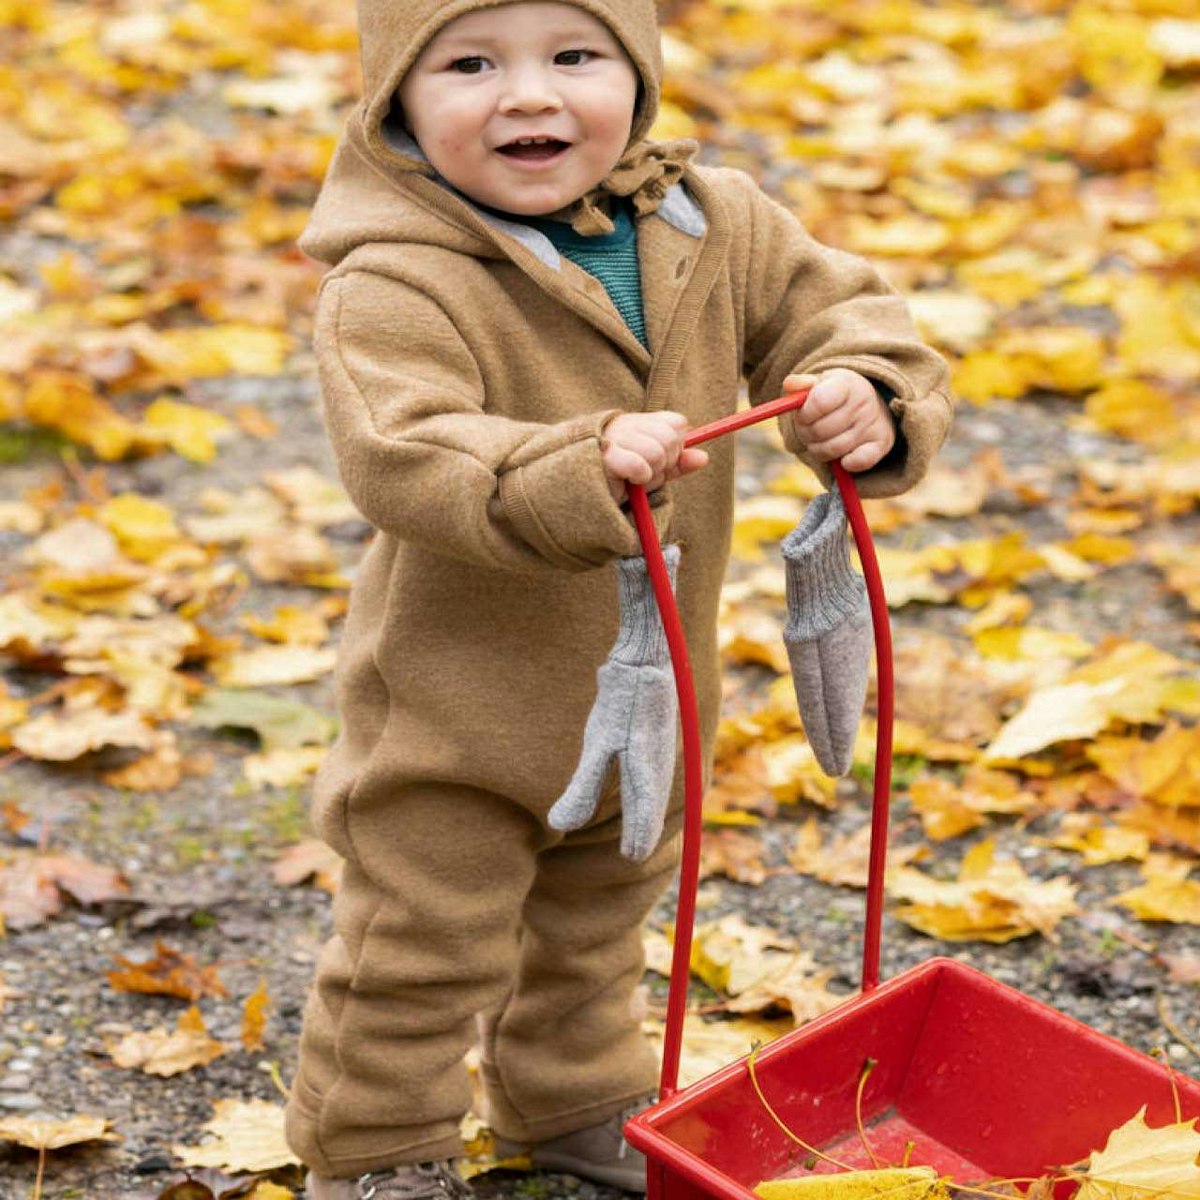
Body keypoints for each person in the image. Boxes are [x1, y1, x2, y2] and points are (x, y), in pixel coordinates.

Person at [284, 1, 954, 1197]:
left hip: (653, 686)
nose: (530, 95)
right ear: (395, 99)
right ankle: (377, 1145)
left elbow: (844, 309)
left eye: (575, 57)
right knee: (422, 943)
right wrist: (568, 465)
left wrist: (864, 385)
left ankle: (577, 1099)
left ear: (637, 79)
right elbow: (405, 450)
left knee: (599, 924)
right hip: (458, 709)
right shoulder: (394, 279)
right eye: (473, 64)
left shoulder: (712, 219)